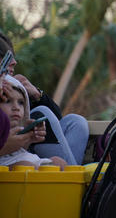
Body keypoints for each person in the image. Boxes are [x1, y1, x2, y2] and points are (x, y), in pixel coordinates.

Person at [0, 32, 88, 165]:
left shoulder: (16, 85)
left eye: (21, 103)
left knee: (76, 122)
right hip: (12, 156)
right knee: (42, 112)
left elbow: (58, 119)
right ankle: (74, 178)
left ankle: (72, 175)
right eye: (6, 56)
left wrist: (37, 94)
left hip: (23, 147)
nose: (14, 62)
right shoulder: (6, 87)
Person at [0, 75, 66, 169]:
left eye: (21, 103)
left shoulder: (18, 128)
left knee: (59, 161)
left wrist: (29, 138)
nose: (16, 108)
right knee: (25, 166)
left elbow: (19, 152)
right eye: (8, 101)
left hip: (30, 163)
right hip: (7, 170)